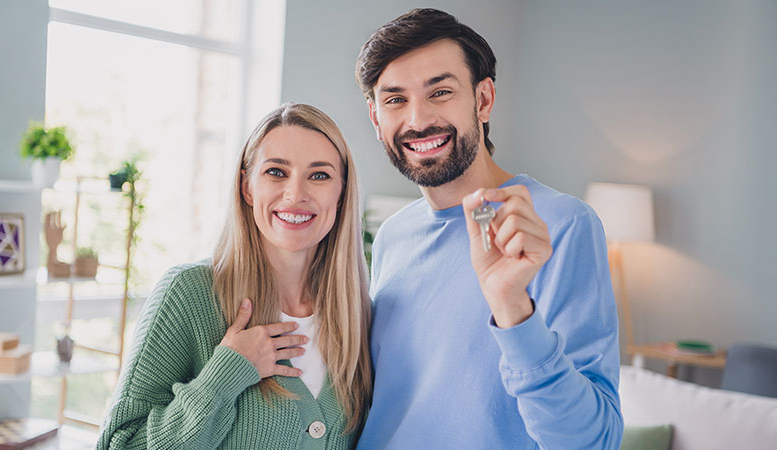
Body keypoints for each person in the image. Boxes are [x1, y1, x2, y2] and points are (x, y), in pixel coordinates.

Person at [354, 8, 623, 449]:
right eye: (395, 99)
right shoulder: (392, 236)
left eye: (440, 91)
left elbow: (592, 442)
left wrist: (512, 309)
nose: (418, 120)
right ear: (375, 115)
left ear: (482, 100)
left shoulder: (561, 225)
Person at [97, 103, 372, 449]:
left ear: (342, 193)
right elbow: (117, 444)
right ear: (247, 187)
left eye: (319, 175)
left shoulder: (357, 315)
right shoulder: (188, 294)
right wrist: (224, 375)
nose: (296, 194)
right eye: (276, 172)